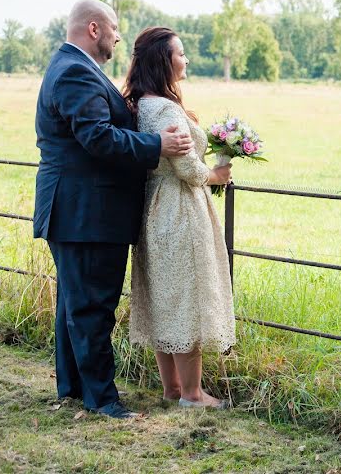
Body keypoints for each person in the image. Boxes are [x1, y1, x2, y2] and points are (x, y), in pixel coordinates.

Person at [34, 0, 194, 419]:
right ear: (93, 29)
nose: (119, 36)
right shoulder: (74, 72)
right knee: (92, 308)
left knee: (75, 303)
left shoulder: (73, 68)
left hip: (79, 210)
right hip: (86, 211)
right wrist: (157, 145)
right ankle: (103, 399)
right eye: (114, 28)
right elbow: (98, 138)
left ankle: (73, 387)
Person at [122, 26, 236, 409]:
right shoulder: (167, 109)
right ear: (163, 60)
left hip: (154, 210)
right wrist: (217, 174)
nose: (186, 60)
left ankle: (172, 388)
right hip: (180, 208)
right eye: (181, 53)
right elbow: (187, 169)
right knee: (188, 298)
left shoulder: (142, 103)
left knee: (165, 298)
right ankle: (192, 393)